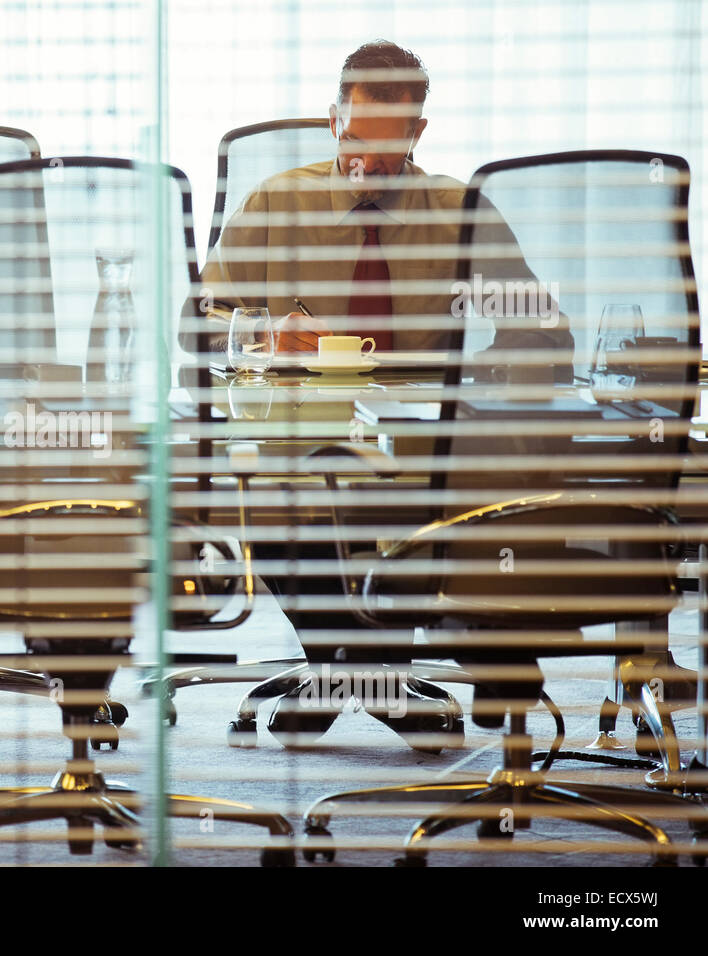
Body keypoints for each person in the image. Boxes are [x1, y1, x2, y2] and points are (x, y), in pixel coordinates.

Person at [193, 40, 574, 749]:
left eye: (387, 141)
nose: (365, 160)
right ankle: (372, 676)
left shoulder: (459, 209)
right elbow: (196, 324)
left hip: (421, 443)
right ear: (332, 119)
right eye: (353, 135)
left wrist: (466, 377)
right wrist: (262, 330)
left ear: (419, 131)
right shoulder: (279, 202)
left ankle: (345, 670)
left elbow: (547, 336)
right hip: (300, 435)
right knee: (270, 492)